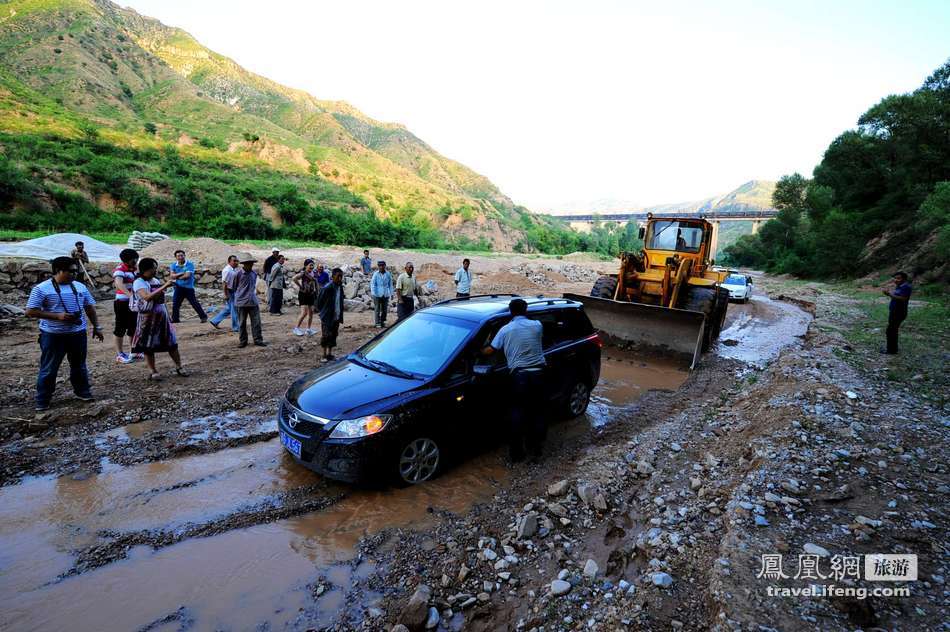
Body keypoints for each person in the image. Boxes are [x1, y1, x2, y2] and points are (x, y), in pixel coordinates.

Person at [25, 256, 103, 411]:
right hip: (53, 335)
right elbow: (30, 311)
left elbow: (89, 308)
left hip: (77, 333)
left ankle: (83, 392)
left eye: (76, 271)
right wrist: (57, 316)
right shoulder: (41, 289)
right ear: (58, 271)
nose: (74, 274)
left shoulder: (80, 287)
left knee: (79, 365)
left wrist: (97, 326)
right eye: (71, 271)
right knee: (49, 368)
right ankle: (43, 400)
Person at [481, 298, 546, 462]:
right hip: (539, 374)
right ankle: (536, 450)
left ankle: (517, 454)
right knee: (537, 412)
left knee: (517, 414)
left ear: (511, 312)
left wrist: (479, 349)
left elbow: (490, 350)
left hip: (520, 376)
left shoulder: (505, 330)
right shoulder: (538, 325)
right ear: (526, 311)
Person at [131, 258, 188, 380]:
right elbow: (146, 297)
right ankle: (153, 371)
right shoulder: (138, 282)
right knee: (148, 345)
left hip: (161, 317)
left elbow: (160, 298)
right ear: (145, 269)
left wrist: (163, 289)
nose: (155, 271)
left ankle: (179, 366)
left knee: (171, 343)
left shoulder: (155, 280)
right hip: (147, 319)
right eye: (153, 269)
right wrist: (165, 286)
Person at [230, 255, 266, 348]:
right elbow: (234, 287)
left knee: (256, 322)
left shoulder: (254, 274)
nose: (250, 265)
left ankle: (258, 340)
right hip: (241, 302)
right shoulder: (237, 274)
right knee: (242, 323)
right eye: (249, 264)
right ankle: (243, 341)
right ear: (244, 264)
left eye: (251, 264)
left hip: (253, 301)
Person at [112, 248, 140, 364]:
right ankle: (120, 354)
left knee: (133, 327)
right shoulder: (120, 269)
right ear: (127, 260)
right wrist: (130, 295)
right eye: (134, 260)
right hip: (122, 302)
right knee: (120, 328)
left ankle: (134, 351)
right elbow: (118, 284)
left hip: (133, 302)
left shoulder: (134, 269)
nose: (136, 261)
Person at [170, 250, 207, 323]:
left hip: (188, 288)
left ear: (184, 256)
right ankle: (175, 319)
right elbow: (172, 276)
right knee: (175, 304)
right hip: (178, 287)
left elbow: (187, 276)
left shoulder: (189, 264)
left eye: (182, 255)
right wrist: (181, 273)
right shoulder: (173, 265)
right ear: (175, 257)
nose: (180, 257)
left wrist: (176, 276)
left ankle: (203, 317)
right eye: (178, 256)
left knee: (194, 303)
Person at [316, 268, 345, 362]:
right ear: (332, 277)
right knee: (326, 335)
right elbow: (319, 302)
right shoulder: (327, 287)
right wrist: (323, 313)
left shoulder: (340, 287)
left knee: (333, 335)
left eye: (341, 276)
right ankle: (323, 355)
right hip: (327, 316)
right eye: (338, 277)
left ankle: (329, 354)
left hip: (336, 315)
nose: (340, 279)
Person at [882, 271, 912, 355]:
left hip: (899, 312)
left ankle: (891, 350)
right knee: (892, 330)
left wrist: (889, 294)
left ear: (904, 279)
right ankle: (892, 349)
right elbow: (896, 296)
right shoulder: (899, 286)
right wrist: (888, 293)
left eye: (898, 278)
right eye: (895, 278)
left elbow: (903, 298)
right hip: (894, 311)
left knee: (891, 330)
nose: (896, 280)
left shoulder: (906, 287)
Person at [209, 255, 240, 332]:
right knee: (234, 309)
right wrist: (226, 294)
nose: (236, 262)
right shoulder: (227, 270)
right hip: (230, 292)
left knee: (229, 309)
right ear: (229, 262)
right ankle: (236, 327)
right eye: (234, 261)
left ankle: (215, 321)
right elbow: (224, 283)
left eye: (237, 261)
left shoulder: (233, 270)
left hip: (233, 291)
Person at [292, 259, 318, 336]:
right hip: (303, 294)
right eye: (310, 265)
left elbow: (315, 283)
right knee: (304, 313)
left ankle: (308, 329)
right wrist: (300, 286)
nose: (312, 266)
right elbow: (294, 278)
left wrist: (316, 292)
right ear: (305, 266)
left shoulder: (313, 273)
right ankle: (296, 328)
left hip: (311, 294)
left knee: (311, 312)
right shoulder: (303, 273)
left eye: (313, 265)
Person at [370, 260, 393, 328]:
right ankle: (377, 323)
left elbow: (390, 284)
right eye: (380, 266)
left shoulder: (388, 274)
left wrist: (391, 293)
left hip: (385, 294)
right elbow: (373, 284)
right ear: (378, 266)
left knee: (384, 309)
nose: (381, 267)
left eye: (382, 265)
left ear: (385, 266)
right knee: (377, 309)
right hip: (377, 294)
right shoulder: (376, 274)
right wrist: (373, 293)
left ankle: (382, 322)